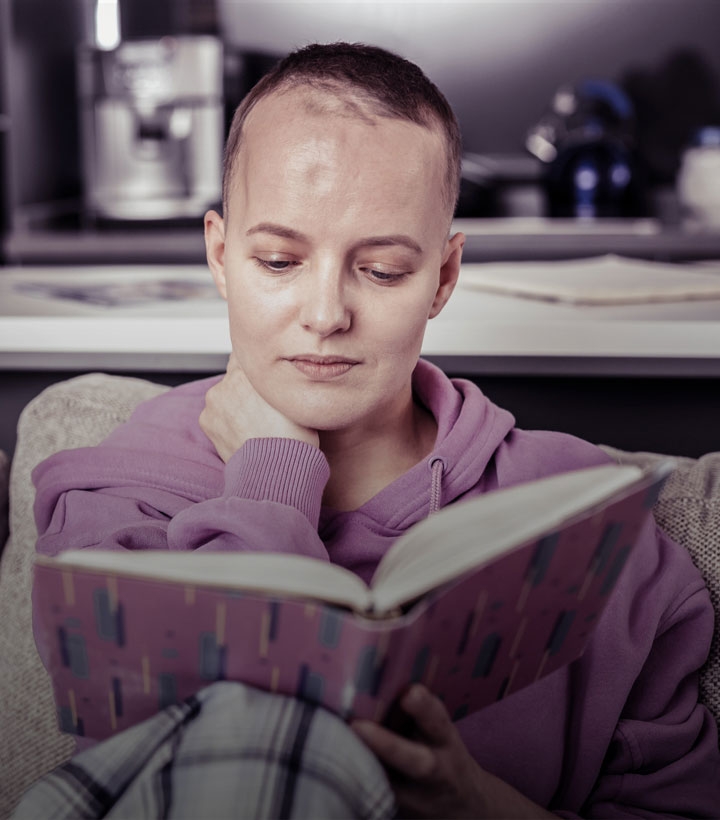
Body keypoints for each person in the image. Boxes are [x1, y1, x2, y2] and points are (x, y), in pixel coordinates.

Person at [24, 42, 719, 818]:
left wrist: (478, 806)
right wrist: (273, 471)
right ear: (220, 256)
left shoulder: (588, 520)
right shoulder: (116, 491)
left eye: (382, 270)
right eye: (279, 261)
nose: (326, 315)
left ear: (442, 278)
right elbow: (161, 770)